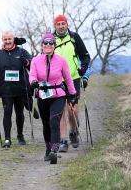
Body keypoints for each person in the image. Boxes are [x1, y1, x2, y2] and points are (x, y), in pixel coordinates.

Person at [29, 32, 76, 164]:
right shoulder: (35, 60)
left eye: (51, 43)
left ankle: (54, 151)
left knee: (54, 122)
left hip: (58, 95)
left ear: (54, 45)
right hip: (43, 96)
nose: (48, 45)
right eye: (45, 43)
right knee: (46, 124)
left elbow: (68, 78)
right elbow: (32, 75)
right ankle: (48, 148)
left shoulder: (61, 60)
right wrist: (33, 82)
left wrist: (72, 94)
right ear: (42, 45)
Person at [0, 30, 32, 148]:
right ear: (2, 40)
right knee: (7, 112)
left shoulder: (22, 51)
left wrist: (26, 63)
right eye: (5, 39)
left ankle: (20, 135)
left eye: (9, 39)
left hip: (20, 87)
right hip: (5, 88)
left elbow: (33, 66)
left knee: (19, 113)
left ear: (13, 39)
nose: (7, 41)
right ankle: (7, 139)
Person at [53, 15, 91, 152]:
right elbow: (44, 58)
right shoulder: (51, 40)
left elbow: (85, 56)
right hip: (56, 80)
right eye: (58, 24)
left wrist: (83, 69)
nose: (61, 26)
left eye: (63, 23)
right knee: (60, 111)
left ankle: (73, 131)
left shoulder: (75, 37)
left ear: (67, 24)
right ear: (55, 25)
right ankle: (63, 140)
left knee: (72, 110)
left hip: (73, 78)